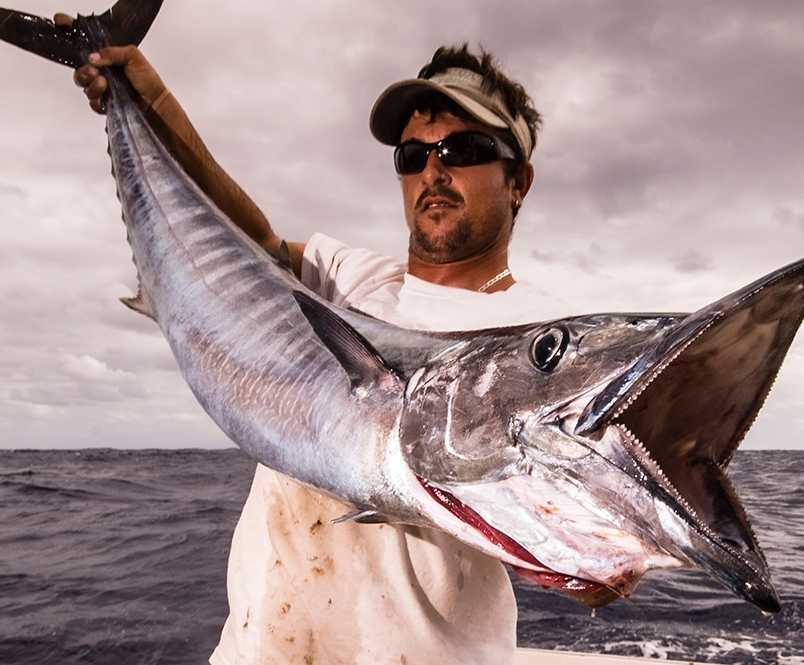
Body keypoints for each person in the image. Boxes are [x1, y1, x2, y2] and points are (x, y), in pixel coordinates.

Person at [72, 39, 571, 664]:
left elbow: (562, 523)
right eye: (413, 155)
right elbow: (243, 240)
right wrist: (151, 101)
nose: (433, 172)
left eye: (463, 149)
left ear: (519, 179)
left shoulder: (544, 341)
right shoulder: (351, 276)